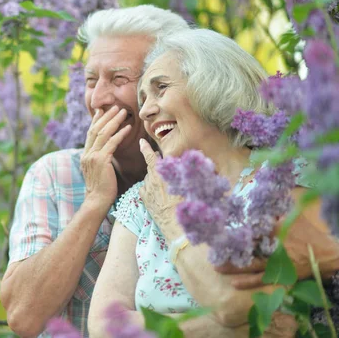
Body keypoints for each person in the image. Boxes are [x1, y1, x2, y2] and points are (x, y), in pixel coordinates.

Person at [88, 28, 339, 337]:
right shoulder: (142, 201)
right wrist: (217, 329)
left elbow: (238, 306)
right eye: (142, 99)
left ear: (214, 84)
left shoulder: (286, 176)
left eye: (160, 88)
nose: (146, 111)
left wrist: (171, 220)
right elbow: (102, 326)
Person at [0, 5, 191, 337]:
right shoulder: (52, 174)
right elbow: (22, 317)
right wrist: (94, 202)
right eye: (91, 80)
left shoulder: (206, 172)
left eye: (119, 79)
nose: (98, 99)